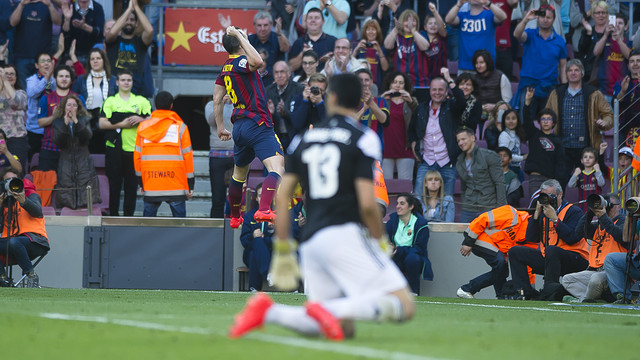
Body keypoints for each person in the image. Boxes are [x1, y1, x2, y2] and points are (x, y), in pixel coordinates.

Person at [229, 73, 415, 341]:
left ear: (332, 98)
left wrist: (283, 249)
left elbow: (282, 198)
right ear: (357, 102)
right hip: (344, 235)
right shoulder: (363, 138)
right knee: (404, 306)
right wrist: (380, 242)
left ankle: (269, 312)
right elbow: (367, 203)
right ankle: (328, 309)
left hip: (311, 241)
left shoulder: (304, 139)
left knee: (341, 328)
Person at [213, 26, 285, 228]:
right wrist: (239, 35)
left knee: (239, 174)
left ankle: (235, 216)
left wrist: (220, 127)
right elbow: (258, 61)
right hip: (258, 123)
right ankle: (263, 209)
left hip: (239, 128)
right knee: (277, 166)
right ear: (239, 43)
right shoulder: (241, 61)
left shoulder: (225, 68)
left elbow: (217, 99)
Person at [508, 179, 588, 300]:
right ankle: (524, 292)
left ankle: (549, 292)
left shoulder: (574, 211)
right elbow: (531, 238)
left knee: (552, 250)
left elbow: (572, 238)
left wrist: (555, 220)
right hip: (551, 258)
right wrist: (536, 213)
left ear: (560, 194)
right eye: (543, 196)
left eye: (550, 196)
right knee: (515, 251)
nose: (547, 199)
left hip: (575, 259)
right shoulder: (543, 213)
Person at [99, 69, 151, 216]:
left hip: (135, 150)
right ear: (117, 82)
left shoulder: (141, 101)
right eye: (123, 80)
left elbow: (153, 119)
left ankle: (129, 217)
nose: (126, 82)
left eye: (129, 80)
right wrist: (122, 124)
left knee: (131, 187)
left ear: (132, 82)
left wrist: (141, 119)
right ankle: (113, 216)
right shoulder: (110, 101)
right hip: (114, 149)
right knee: (114, 186)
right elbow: (102, 124)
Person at [134, 91, 194, 218]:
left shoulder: (142, 127)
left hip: (151, 184)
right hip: (176, 185)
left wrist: (141, 182)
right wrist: (190, 184)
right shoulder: (181, 127)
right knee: (181, 227)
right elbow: (188, 156)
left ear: (155, 105)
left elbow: (137, 157)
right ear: (171, 105)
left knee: (148, 227)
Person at [545, 58, 612, 170]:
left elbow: (608, 114)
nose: (573, 73)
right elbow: (546, 115)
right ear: (566, 74)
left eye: (576, 70)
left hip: (586, 149)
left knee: (587, 184)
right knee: (560, 182)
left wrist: (604, 123)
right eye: (570, 70)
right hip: (562, 147)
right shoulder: (556, 93)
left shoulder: (594, 93)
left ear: (582, 73)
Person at [409, 71, 466, 198]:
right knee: (418, 198)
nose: (437, 93)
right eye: (434, 89)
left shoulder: (451, 107)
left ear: (446, 92)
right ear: (430, 91)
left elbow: (462, 101)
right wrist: (414, 145)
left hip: (447, 161)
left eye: (441, 89)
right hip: (426, 160)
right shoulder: (421, 109)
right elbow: (412, 130)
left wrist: (449, 79)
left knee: (447, 200)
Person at [457, 205, 531, 299]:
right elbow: (482, 219)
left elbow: (528, 269)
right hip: (478, 236)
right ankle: (468, 288)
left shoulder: (530, 238)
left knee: (502, 271)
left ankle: (501, 295)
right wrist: (468, 241)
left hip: (495, 245)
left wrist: (529, 291)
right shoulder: (511, 213)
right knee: (500, 263)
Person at [562, 194, 625, 303]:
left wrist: (603, 216)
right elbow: (579, 231)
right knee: (567, 280)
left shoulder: (622, 221)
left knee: (595, 280)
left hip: (614, 272)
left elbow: (620, 236)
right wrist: (590, 212)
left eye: (608, 204)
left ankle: (583, 300)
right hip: (595, 270)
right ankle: (594, 299)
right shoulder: (599, 226)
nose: (605, 207)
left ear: (618, 206)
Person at [513, 7, 567, 119]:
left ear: (553, 20)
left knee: (549, 123)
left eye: (548, 17)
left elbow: (563, 66)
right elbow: (517, 35)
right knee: (525, 121)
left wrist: (565, 88)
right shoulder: (530, 34)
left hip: (549, 87)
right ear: (538, 18)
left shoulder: (560, 41)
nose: (545, 20)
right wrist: (526, 20)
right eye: (542, 16)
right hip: (528, 86)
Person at [0, 167, 49, 288]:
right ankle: (3, 278)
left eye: (13, 180)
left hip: (35, 241)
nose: (10, 183)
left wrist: (24, 201)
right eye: (7, 181)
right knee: (13, 242)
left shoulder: (30, 194)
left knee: (14, 242)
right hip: (11, 243)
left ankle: (31, 276)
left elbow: (38, 212)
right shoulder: (4, 201)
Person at [51, 94, 100, 209]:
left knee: (85, 193)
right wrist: (65, 124)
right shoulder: (57, 122)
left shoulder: (84, 120)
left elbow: (87, 136)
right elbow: (57, 141)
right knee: (67, 193)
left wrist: (76, 122)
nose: (71, 108)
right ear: (64, 107)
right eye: (69, 105)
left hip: (83, 162)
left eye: (74, 105)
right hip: (66, 163)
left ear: (78, 108)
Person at [37, 65, 83, 172]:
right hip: (49, 148)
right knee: (46, 185)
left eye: (67, 76)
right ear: (55, 78)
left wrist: (73, 117)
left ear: (71, 80)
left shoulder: (78, 98)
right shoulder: (46, 98)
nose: (64, 79)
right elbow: (40, 122)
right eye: (61, 76)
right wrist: (54, 116)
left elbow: (84, 124)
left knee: (70, 186)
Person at [455, 126, 506, 222]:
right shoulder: (459, 161)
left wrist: (501, 209)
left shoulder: (489, 156)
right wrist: (465, 202)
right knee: (462, 235)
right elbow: (463, 187)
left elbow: (500, 183)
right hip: (468, 208)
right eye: (458, 141)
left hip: (488, 206)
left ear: (473, 138)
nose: (460, 143)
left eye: (463, 139)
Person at [386, 193, 432, 295]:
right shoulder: (392, 221)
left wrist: (398, 249)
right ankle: (390, 292)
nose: (398, 206)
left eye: (402, 203)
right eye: (397, 203)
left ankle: (413, 292)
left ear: (411, 206)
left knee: (412, 258)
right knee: (385, 259)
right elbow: (385, 240)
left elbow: (420, 248)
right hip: (395, 255)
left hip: (414, 257)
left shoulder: (421, 224)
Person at [71, 48, 116, 154]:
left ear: (104, 61)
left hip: (107, 122)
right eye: (92, 59)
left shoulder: (113, 80)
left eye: (98, 58)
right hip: (85, 122)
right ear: (89, 62)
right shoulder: (81, 80)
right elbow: (72, 100)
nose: (95, 61)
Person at [9, 0, 62, 90]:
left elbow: (58, 21)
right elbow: (12, 22)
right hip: (22, 56)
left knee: (44, 88)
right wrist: (21, 5)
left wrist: (49, 5)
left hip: (42, 58)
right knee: (24, 90)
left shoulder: (48, 4)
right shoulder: (20, 4)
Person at [522, 88, 566, 194]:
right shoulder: (534, 134)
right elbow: (527, 120)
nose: (546, 122)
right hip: (535, 178)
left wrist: (557, 183)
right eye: (543, 119)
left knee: (549, 208)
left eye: (549, 119)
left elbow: (560, 163)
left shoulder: (558, 141)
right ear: (539, 122)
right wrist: (527, 103)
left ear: (553, 123)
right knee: (535, 207)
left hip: (551, 181)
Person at [105, 0, 153, 97]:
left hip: (136, 85)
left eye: (132, 20)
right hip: (115, 86)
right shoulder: (114, 41)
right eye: (126, 19)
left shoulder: (140, 42)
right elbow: (111, 33)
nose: (129, 22)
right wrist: (128, 10)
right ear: (122, 22)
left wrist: (136, 7)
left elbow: (150, 30)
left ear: (136, 23)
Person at [445, 0, 506, 73]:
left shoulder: (489, 15)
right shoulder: (462, 15)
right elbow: (448, 20)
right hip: (465, 66)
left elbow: (503, 17)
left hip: (486, 67)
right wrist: (459, 4)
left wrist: (488, 3)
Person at [379, 71, 417, 180]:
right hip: (385, 149)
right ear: (389, 84)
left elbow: (420, 117)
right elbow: (373, 116)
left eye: (401, 82)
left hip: (405, 149)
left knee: (405, 187)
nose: (397, 85)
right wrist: (381, 98)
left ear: (405, 85)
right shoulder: (383, 100)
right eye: (394, 82)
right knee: (386, 188)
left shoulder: (411, 101)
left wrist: (411, 102)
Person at [383, 10, 430, 99]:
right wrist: (396, 29)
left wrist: (413, 30)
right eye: (406, 20)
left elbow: (425, 47)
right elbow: (387, 45)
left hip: (420, 84)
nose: (409, 23)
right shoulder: (397, 37)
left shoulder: (422, 34)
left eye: (413, 20)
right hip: (400, 85)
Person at [240, 183, 275, 292]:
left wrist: (270, 231)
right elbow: (244, 241)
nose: (263, 199)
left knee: (254, 254)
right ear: (256, 198)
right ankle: (267, 273)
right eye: (260, 196)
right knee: (256, 242)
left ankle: (254, 288)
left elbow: (280, 241)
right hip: (249, 250)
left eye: (266, 196)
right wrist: (252, 236)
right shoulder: (250, 216)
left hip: (271, 254)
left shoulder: (276, 216)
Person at [205, 97, 234, 219]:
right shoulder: (211, 105)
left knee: (237, 197)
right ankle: (215, 229)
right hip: (217, 156)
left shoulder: (240, 104)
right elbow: (212, 121)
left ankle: (235, 227)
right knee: (217, 198)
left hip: (236, 154)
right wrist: (221, 103)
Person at [265, 61, 304, 151]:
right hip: (275, 139)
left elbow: (301, 117)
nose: (279, 75)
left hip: (294, 138)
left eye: (282, 72)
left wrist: (285, 112)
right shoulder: (268, 91)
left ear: (289, 73)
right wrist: (271, 114)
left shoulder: (299, 89)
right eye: (276, 72)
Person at [592, 12, 630, 102]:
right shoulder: (604, 41)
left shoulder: (628, 43)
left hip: (622, 91)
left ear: (626, 27)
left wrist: (618, 39)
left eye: (620, 23)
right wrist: (605, 34)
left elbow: (629, 55)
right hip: (604, 91)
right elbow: (596, 52)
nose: (617, 26)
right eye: (614, 23)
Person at [25, 52, 55, 161]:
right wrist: (46, 79)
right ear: (37, 65)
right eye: (43, 61)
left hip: (51, 127)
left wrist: (50, 79)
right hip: (34, 129)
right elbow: (32, 93)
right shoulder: (32, 80)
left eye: (48, 61)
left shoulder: (55, 80)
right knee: (34, 159)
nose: (46, 64)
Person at [248, 11, 290, 87]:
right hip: (253, 82)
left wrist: (279, 34)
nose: (263, 28)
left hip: (276, 82)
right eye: (259, 25)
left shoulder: (277, 37)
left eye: (265, 25)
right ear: (254, 26)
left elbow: (286, 48)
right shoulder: (249, 40)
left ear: (271, 25)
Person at [288, 7, 337, 73]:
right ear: (305, 22)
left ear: (323, 22)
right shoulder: (298, 42)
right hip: (302, 81)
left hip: (326, 81)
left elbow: (342, 66)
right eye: (310, 18)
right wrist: (302, 54)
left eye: (316, 18)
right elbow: (291, 67)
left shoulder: (333, 41)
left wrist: (331, 60)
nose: (313, 20)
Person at [0, 64, 28, 172]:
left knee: (17, 171)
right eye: (6, 74)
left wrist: (5, 82)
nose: (9, 76)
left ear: (16, 77)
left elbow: (16, 102)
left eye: (12, 74)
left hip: (17, 139)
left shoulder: (21, 93)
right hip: (1, 139)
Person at [355, 68, 388, 148]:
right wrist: (363, 109)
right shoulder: (350, 101)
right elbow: (348, 123)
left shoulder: (381, 101)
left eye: (366, 80)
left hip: (375, 148)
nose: (363, 83)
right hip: (355, 147)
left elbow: (384, 121)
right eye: (360, 80)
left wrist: (371, 103)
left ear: (371, 82)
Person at [472, 49, 512, 115]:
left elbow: (508, 103)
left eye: (481, 62)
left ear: (488, 63)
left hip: (497, 115)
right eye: (476, 63)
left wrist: (495, 107)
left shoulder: (501, 77)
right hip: (477, 115)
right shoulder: (473, 78)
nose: (478, 66)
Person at [352, 18, 388, 88]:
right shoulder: (359, 47)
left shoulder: (381, 48)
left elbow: (385, 68)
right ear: (365, 32)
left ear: (377, 32)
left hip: (376, 85)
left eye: (373, 29)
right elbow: (350, 65)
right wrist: (356, 50)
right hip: (360, 84)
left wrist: (379, 51)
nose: (371, 32)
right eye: (368, 29)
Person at [577, 0, 609, 80]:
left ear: (607, 15)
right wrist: (589, 32)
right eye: (597, 13)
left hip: (607, 73)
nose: (601, 15)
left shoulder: (612, 32)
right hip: (589, 74)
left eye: (603, 12)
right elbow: (581, 49)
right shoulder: (586, 31)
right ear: (592, 15)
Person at [567, 147, 605, 212]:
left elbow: (601, 183)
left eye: (590, 157)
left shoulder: (596, 173)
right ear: (581, 160)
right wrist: (575, 175)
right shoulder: (579, 174)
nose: (587, 159)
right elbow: (570, 185)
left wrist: (598, 171)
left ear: (595, 161)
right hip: (583, 206)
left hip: (596, 206)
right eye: (585, 157)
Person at [617, 51, 640, 148]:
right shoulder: (622, 81)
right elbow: (616, 102)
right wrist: (623, 91)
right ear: (628, 66)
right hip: (625, 129)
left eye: (638, 61)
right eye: (632, 61)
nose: (635, 64)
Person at [421, 3, 448, 84]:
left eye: (435, 23)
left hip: (440, 75)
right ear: (425, 27)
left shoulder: (441, 37)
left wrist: (435, 12)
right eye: (430, 23)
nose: (433, 25)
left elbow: (442, 28)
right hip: (424, 76)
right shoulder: (421, 36)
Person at [497, 108, 526, 178]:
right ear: (504, 121)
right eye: (508, 119)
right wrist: (522, 158)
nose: (511, 121)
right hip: (508, 169)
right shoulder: (504, 135)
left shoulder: (517, 135)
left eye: (513, 118)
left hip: (517, 168)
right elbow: (504, 156)